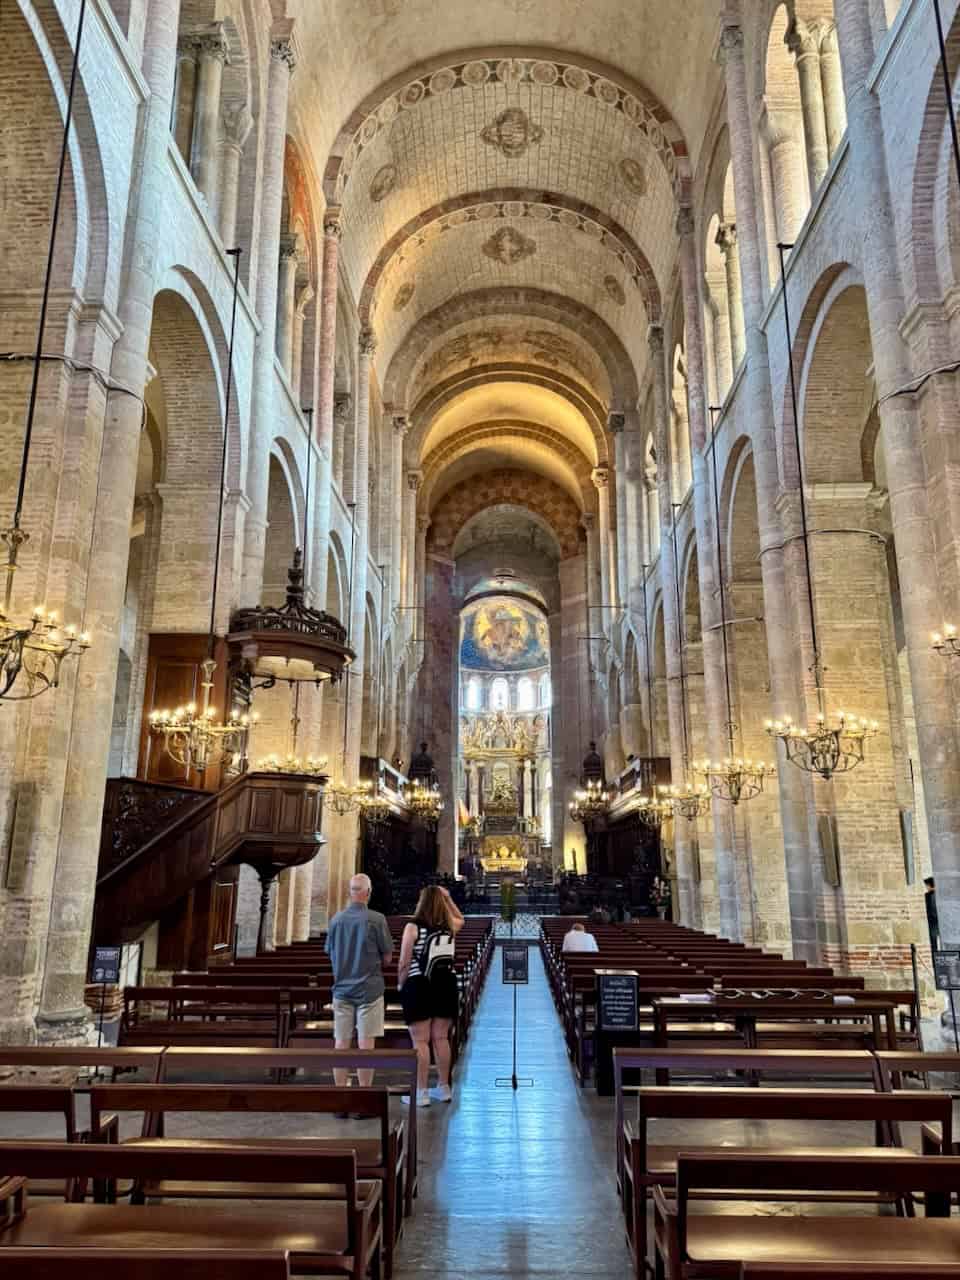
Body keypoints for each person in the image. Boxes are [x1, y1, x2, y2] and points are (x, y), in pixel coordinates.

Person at [325, 873, 394, 1091]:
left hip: (342, 989)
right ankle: (364, 1093)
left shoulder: (336, 919)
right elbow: (388, 957)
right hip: (369, 990)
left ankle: (340, 1095)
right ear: (368, 893)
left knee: (341, 1043)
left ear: (350, 892)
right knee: (366, 1045)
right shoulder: (377, 919)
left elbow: (329, 951)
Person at [398, 884, 464, 1107]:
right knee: (441, 1038)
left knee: (420, 1040)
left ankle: (422, 1092)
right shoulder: (449, 927)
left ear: (421, 902)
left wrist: (401, 983)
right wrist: (448, 898)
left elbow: (405, 960)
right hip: (445, 984)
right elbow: (461, 918)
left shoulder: (413, 927)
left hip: (420, 984)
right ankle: (444, 1087)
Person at [925, 876, 941, 953]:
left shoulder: (928, 896)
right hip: (938, 921)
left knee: (934, 943)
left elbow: (931, 909)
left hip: (933, 922)